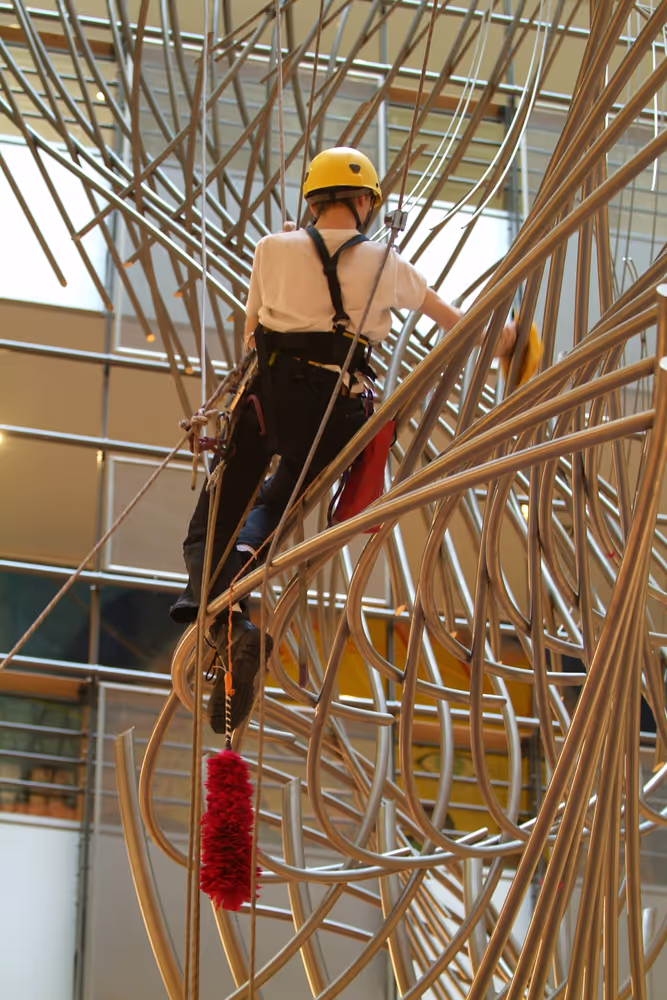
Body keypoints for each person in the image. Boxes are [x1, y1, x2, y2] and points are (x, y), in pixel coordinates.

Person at [169, 146, 516, 732]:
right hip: (335, 416)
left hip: (264, 403)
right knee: (277, 504)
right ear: (363, 203)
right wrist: (509, 340)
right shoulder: (384, 263)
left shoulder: (271, 249)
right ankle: (234, 616)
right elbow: (455, 323)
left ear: (312, 200)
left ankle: (230, 621)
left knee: (212, 525)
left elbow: (253, 333)